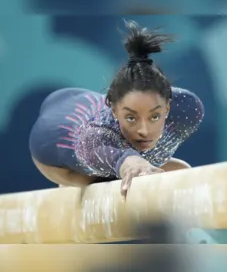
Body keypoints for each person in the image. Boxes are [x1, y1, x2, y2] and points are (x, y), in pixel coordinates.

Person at [29, 20, 204, 199]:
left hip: (93, 111)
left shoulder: (186, 109)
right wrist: (131, 163)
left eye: (154, 117)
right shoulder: (94, 138)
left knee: (181, 172)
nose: (144, 131)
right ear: (114, 110)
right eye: (131, 118)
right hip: (56, 145)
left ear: (167, 107)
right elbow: (123, 158)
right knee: (104, 179)